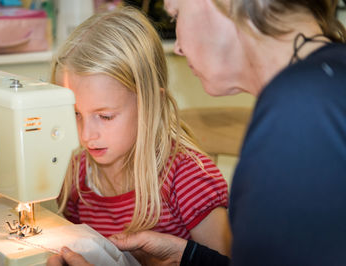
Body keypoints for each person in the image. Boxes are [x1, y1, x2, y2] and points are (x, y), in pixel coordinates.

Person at [48, 0, 346, 265]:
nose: (177, 46)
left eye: (176, 15)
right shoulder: (316, 92)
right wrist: (188, 256)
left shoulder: (304, 113)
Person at [47, 6, 232, 264]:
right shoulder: (78, 176)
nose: (86, 136)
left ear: (150, 103)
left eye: (106, 116)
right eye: (76, 114)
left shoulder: (189, 179)